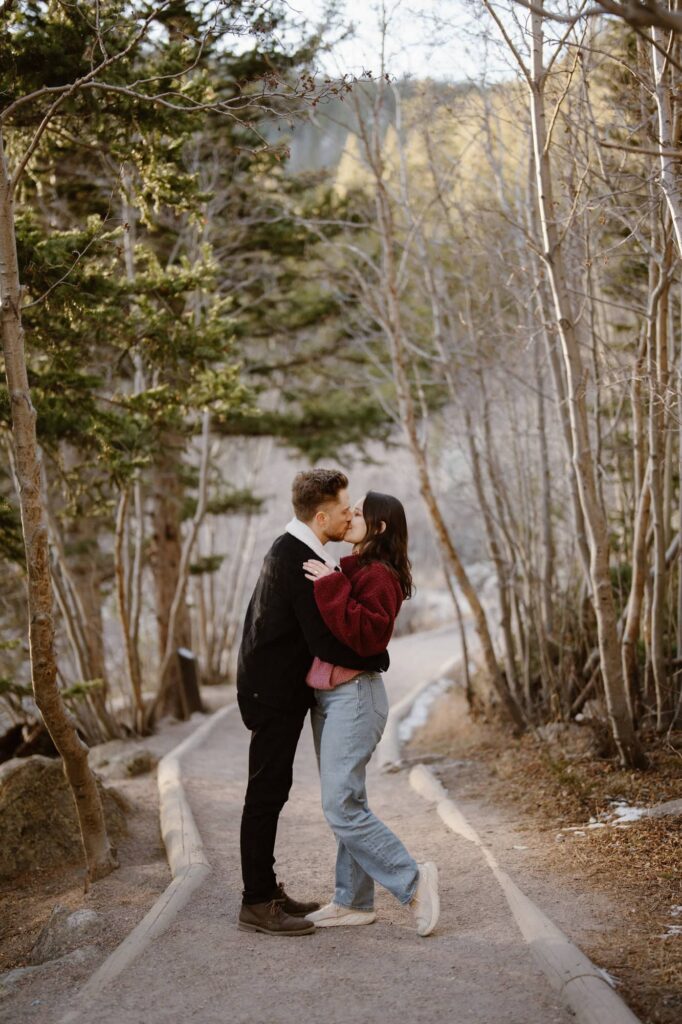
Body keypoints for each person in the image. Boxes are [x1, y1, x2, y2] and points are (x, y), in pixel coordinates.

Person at [236, 469, 391, 936]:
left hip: (275, 691)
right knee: (265, 795)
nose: (350, 516)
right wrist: (377, 656)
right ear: (322, 516)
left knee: (272, 791)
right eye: (345, 509)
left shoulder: (298, 548)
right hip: (273, 694)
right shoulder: (297, 557)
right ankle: (257, 902)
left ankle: (266, 889)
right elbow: (324, 640)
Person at [302, 491, 440, 937]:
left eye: (360, 512)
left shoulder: (380, 574)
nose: (350, 515)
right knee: (349, 801)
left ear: (379, 527)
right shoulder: (355, 568)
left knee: (339, 805)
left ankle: (412, 881)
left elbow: (367, 637)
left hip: (356, 697)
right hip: (334, 697)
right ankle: (353, 901)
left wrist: (329, 583)